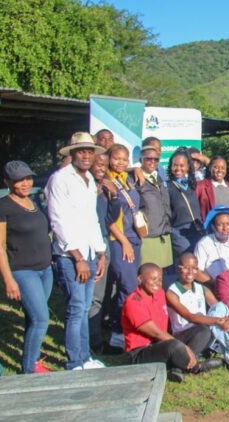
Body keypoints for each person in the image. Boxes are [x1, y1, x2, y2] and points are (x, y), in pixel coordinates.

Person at [46, 132, 107, 370]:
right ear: (72, 153)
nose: (86, 155)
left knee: (84, 306)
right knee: (75, 308)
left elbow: (92, 220)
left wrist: (100, 254)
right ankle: (74, 361)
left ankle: (85, 357)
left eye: (90, 151)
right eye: (81, 151)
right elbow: (57, 220)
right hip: (71, 256)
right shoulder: (60, 179)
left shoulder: (89, 180)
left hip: (91, 252)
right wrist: (78, 257)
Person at [0, 161, 53, 374]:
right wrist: (9, 280)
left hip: (45, 269)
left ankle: (32, 360)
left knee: (33, 317)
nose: (24, 183)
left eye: (27, 178)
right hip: (24, 271)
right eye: (18, 180)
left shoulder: (34, 202)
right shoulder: (1, 207)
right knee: (42, 318)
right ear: (7, 182)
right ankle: (29, 369)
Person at [122, 263, 223, 383]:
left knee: (203, 331)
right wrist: (185, 348)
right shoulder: (133, 302)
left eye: (160, 280)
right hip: (141, 352)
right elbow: (156, 333)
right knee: (174, 345)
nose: (157, 283)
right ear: (140, 279)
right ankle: (196, 368)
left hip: (161, 343)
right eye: (153, 279)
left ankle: (177, 367)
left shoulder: (159, 293)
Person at [105, 144, 143, 351]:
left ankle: (118, 335)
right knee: (128, 286)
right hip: (119, 240)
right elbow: (109, 219)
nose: (120, 162)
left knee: (125, 289)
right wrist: (124, 242)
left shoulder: (128, 180)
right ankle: (124, 332)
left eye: (124, 159)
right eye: (116, 158)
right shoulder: (107, 182)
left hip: (134, 237)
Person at [88, 151, 115, 354]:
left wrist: (113, 196)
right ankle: (94, 343)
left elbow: (111, 217)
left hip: (105, 241)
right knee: (94, 296)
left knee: (105, 291)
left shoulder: (105, 188)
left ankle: (99, 333)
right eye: (97, 163)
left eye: (104, 165)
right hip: (90, 244)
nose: (100, 167)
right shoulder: (84, 187)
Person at [136, 145, 173, 269]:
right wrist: (134, 169)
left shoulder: (159, 178)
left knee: (161, 276)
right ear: (141, 159)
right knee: (147, 274)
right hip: (148, 237)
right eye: (148, 159)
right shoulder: (136, 178)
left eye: (156, 159)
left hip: (164, 234)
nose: (152, 162)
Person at [167, 150, 204, 264]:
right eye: (175, 165)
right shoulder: (167, 187)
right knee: (186, 264)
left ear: (188, 167)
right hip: (180, 233)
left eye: (182, 165)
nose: (178, 168)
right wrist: (173, 233)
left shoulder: (191, 185)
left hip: (197, 230)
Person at [194, 207, 229, 285]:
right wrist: (216, 283)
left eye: (228, 224)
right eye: (220, 225)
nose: (225, 228)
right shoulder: (203, 244)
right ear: (213, 227)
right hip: (213, 285)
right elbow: (197, 271)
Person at [196, 156, 229, 221]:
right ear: (210, 168)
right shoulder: (201, 186)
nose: (220, 170)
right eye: (216, 167)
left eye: (223, 168)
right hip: (210, 227)